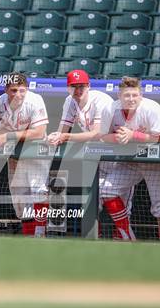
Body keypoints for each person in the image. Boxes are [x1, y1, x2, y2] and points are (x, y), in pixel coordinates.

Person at [47, 70, 133, 240]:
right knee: (94, 202)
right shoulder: (69, 102)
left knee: (121, 203)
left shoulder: (101, 100)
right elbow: (63, 130)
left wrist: (66, 137)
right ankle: (96, 242)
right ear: (68, 88)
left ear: (89, 86)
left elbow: (96, 133)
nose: (78, 91)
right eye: (74, 87)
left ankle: (127, 239)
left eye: (82, 87)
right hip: (97, 156)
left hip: (118, 155)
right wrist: (55, 136)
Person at [99, 77, 160, 242]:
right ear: (119, 96)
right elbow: (102, 136)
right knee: (107, 190)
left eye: (135, 95)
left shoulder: (150, 108)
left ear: (140, 95)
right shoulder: (110, 109)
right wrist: (117, 138)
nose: (131, 99)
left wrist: (133, 135)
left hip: (159, 162)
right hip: (132, 161)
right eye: (126, 95)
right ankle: (128, 238)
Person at [0, 72, 49, 237]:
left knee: (39, 191)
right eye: (14, 90)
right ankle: (29, 236)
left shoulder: (34, 100)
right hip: (15, 155)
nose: (18, 95)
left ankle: (40, 232)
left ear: (27, 88)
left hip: (36, 150)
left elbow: (39, 132)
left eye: (22, 90)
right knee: (20, 201)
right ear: (6, 90)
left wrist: (10, 135)